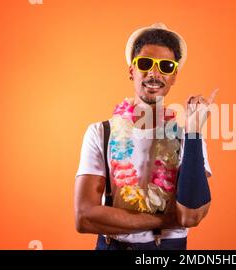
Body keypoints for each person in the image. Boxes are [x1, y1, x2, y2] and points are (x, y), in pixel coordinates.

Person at [74, 23, 217, 250]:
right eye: (145, 64)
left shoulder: (187, 138)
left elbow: (190, 216)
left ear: (174, 76)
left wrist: (194, 132)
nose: (154, 73)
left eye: (166, 66)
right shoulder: (100, 132)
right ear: (132, 70)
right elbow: (84, 217)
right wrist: (167, 219)